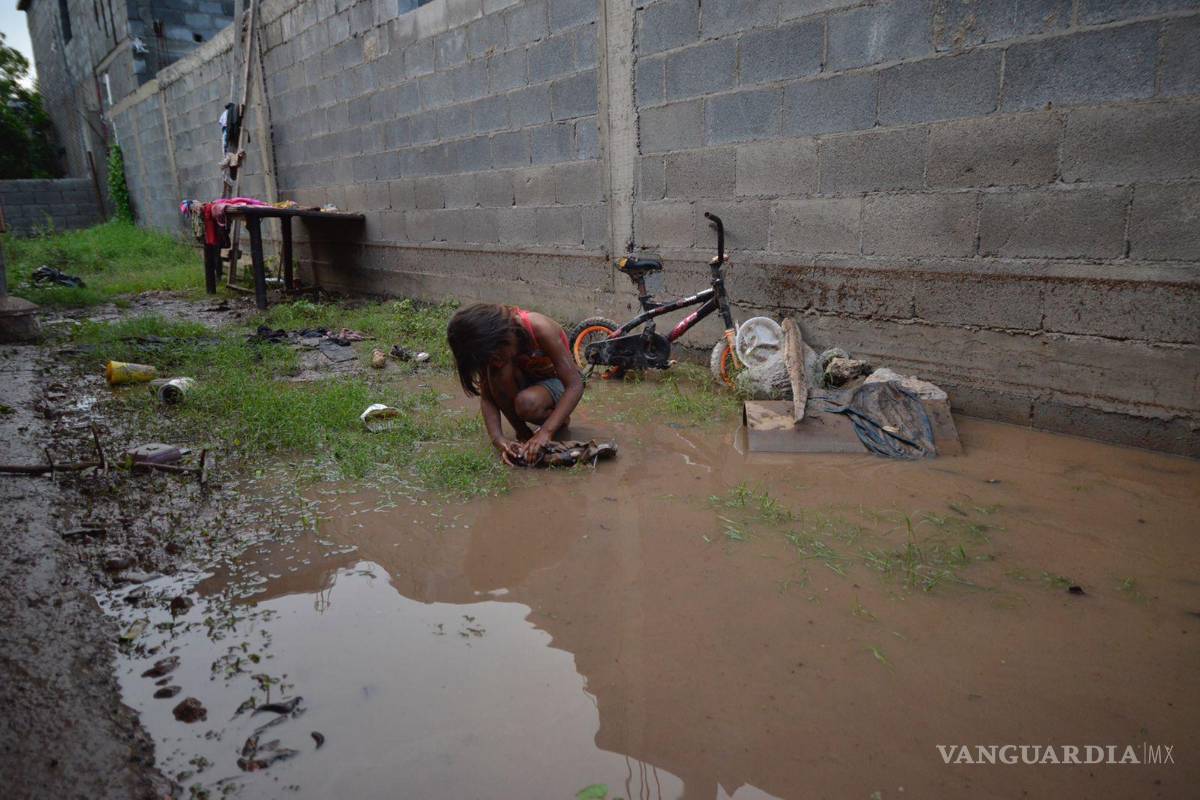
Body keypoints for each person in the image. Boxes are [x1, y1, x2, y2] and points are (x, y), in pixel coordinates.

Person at [446, 303, 583, 466]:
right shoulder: (491, 350)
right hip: (528, 381)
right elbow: (488, 397)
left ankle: (558, 421)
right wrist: (499, 440)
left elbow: (575, 384)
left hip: (557, 382)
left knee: (527, 402)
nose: (495, 361)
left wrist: (546, 433)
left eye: (496, 355)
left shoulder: (540, 329)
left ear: (505, 335)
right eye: (490, 359)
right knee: (496, 375)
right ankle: (523, 434)